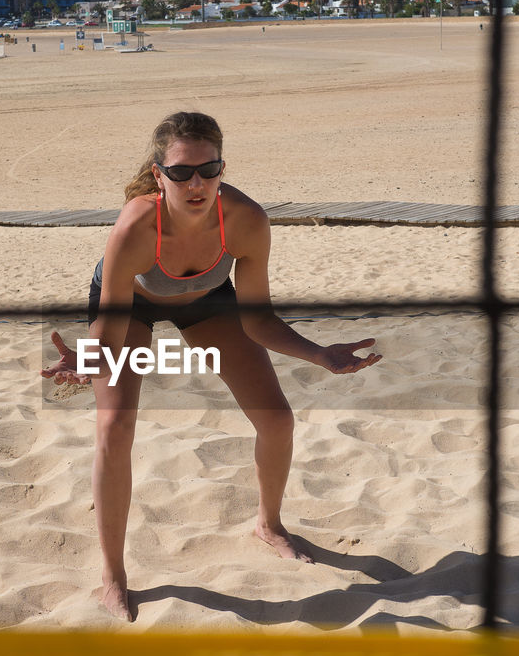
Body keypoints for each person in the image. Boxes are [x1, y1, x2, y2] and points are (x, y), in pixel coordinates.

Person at [43, 111, 381, 620]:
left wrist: (318, 353)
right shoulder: (136, 225)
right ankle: (113, 576)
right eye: (181, 172)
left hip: (205, 299)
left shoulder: (246, 220)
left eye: (209, 169)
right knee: (114, 424)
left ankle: (269, 525)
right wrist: (87, 359)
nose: (196, 183)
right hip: (130, 306)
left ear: (223, 168)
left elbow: (258, 320)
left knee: (277, 419)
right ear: (159, 174)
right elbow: (109, 329)